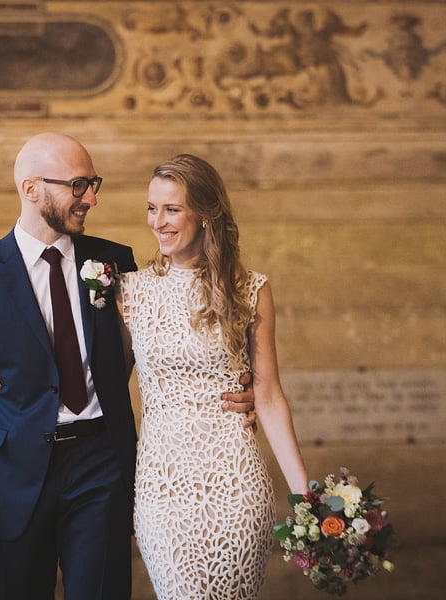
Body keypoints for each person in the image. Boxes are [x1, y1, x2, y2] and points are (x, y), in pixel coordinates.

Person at [0, 133, 256, 600]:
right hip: (13, 472)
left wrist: (232, 388)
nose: (92, 198)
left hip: (102, 465)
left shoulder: (115, 262)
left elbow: (170, 342)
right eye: (79, 185)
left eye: (93, 183)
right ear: (31, 189)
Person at [117, 153, 310, 599]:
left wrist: (305, 496)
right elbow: (101, 384)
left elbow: (269, 396)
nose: (157, 222)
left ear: (205, 214)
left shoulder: (251, 290)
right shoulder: (130, 292)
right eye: (151, 208)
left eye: (171, 209)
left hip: (235, 484)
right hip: (162, 489)